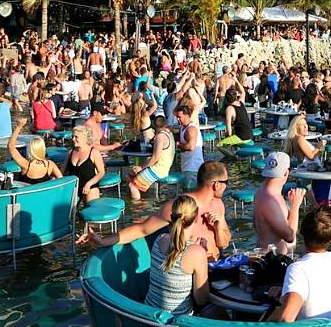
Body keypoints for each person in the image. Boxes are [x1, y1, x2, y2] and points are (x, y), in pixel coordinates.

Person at [77, 161, 231, 261]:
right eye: (226, 182)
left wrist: (219, 226)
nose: (227, 185)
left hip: (219, 267)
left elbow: (223, 244)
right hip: (191, 278)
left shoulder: (218, 205)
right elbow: (141, 229)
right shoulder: (180, 206)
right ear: (216, 184)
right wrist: (103, 240)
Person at [267, 207, 331, 322]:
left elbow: (286, 317)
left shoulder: (298, 269)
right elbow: (319, 286)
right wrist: (289, 292)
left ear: (301, 234)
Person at [144, 195, 209, 315]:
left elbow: (177, 251)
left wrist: (194, 248)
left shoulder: (159, 240)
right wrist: (202, 254)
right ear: (196, 218)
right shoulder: (197, 253)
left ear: (171, 217)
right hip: (176, 321)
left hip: (149, 316)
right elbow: (202, 299)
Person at [254, 151, 306, 254]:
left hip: (276, 257)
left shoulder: (264, 191)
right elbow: (290, 237)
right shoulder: (270, 201)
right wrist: (295, 206)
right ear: (286, 173)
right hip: (274, 261)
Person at [129, 116, 175, 200]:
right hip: (164, 167)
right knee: (132, 173)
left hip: (158, 170)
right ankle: (143, 197)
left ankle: (138, 206)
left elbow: (155, 158)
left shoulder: (160, 137)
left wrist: (141, 167)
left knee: (132, 186)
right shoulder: (169, 134)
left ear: (153, 125)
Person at [8, 118, 62, 184]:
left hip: (28, 193)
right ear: (43, 149)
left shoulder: (26, 165)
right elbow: (61, 181)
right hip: (44, 193)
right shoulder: (50, 165)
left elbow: (11, 147)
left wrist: (19, 126)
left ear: (30, 150)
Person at [62, 125, 105, 204]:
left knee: (91, 209)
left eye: (76, 137)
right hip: (73, 187)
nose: (73, 139)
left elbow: (101, 172)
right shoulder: (71, 152)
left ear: (84, 138)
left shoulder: (94, 152)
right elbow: (61, 172)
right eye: (72, 136)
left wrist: (89, 184)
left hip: (90, 186)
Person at [216, 82, 253, 156]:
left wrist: (228, 137)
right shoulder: (241, 102)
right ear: (236, 96)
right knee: (232, 137)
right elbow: (242, 92)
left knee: (219, 145)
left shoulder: (229, 109)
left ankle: (232, 157)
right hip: (250, 134)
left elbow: (228, 128)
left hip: (242, 137)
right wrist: (236, 80)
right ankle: (236, 152)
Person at [175, 103, 204, 189]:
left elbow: (191, 147)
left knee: (190, 195)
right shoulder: (183, 128)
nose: (177, 119)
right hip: (187, 167)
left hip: (193, 168)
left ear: (187, 116)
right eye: (177, 116)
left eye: (179, 117)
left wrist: (178, 145)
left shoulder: (191, 129)